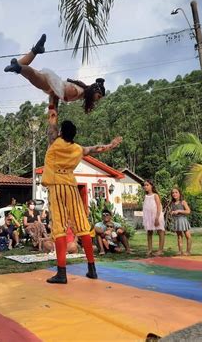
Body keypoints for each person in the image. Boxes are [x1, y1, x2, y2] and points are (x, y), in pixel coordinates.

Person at [43, 104, 122, 284]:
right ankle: (92, 269)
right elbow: (96, 148)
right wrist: (111, 145)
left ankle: (62, 273)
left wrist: (53, 99)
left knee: (60, 229)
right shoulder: (78, 149)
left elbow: (52, 123)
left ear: (61, 132)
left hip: (57, 187)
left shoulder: (54, 143)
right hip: (71, 187)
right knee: (83, 227)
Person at [4, 34, 106, 113]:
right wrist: (60, 99)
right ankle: (18, 67)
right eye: (99, 96)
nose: (98, 100)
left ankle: (35, 51)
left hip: (53, 84)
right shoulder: (78, 92)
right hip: (52, 85)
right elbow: (65, 91)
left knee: (26, 69)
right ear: (94, 91)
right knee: (32, 75)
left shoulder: (81, 91)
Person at [143, 179, 165, 257]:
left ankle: (160, 250)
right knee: (149, 233)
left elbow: (159, 207)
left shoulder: (155, 195)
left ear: (151, 186)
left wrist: (156, 218)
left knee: (160, 231)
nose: (145, 186)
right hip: (148, 216)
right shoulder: (145, 196)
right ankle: (149, 249)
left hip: (156, 215)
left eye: (147, 185)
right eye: (144, 185)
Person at [170, 187, 192, 256]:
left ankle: (188, 251)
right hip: (176, 221)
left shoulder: (183, 202)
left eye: (176, 192)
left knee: (188, 236)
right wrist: (172, 212)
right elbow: (172, 211)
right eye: (173, 193)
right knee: (179, 236)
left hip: (183, 220)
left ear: (179, 193)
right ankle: (180, 251)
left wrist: (179, 211)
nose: (174, 194)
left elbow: (188, 211)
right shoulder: (172, 203)